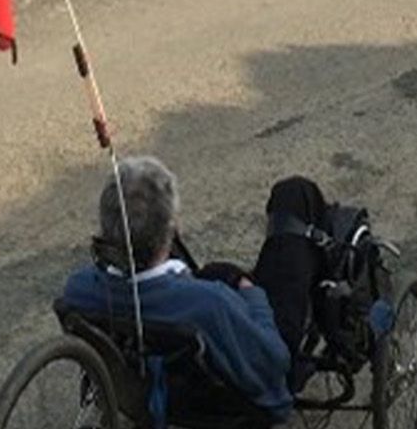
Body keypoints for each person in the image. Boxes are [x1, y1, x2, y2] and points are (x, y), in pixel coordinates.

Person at [61, 156, 335, 423]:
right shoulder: (210, 304)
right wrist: (251, 292)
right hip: (242, 398)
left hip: (148, 383)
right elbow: (275, 359)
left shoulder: (79, 289)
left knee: (219, 271)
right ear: (171, 229)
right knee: (295, 194)